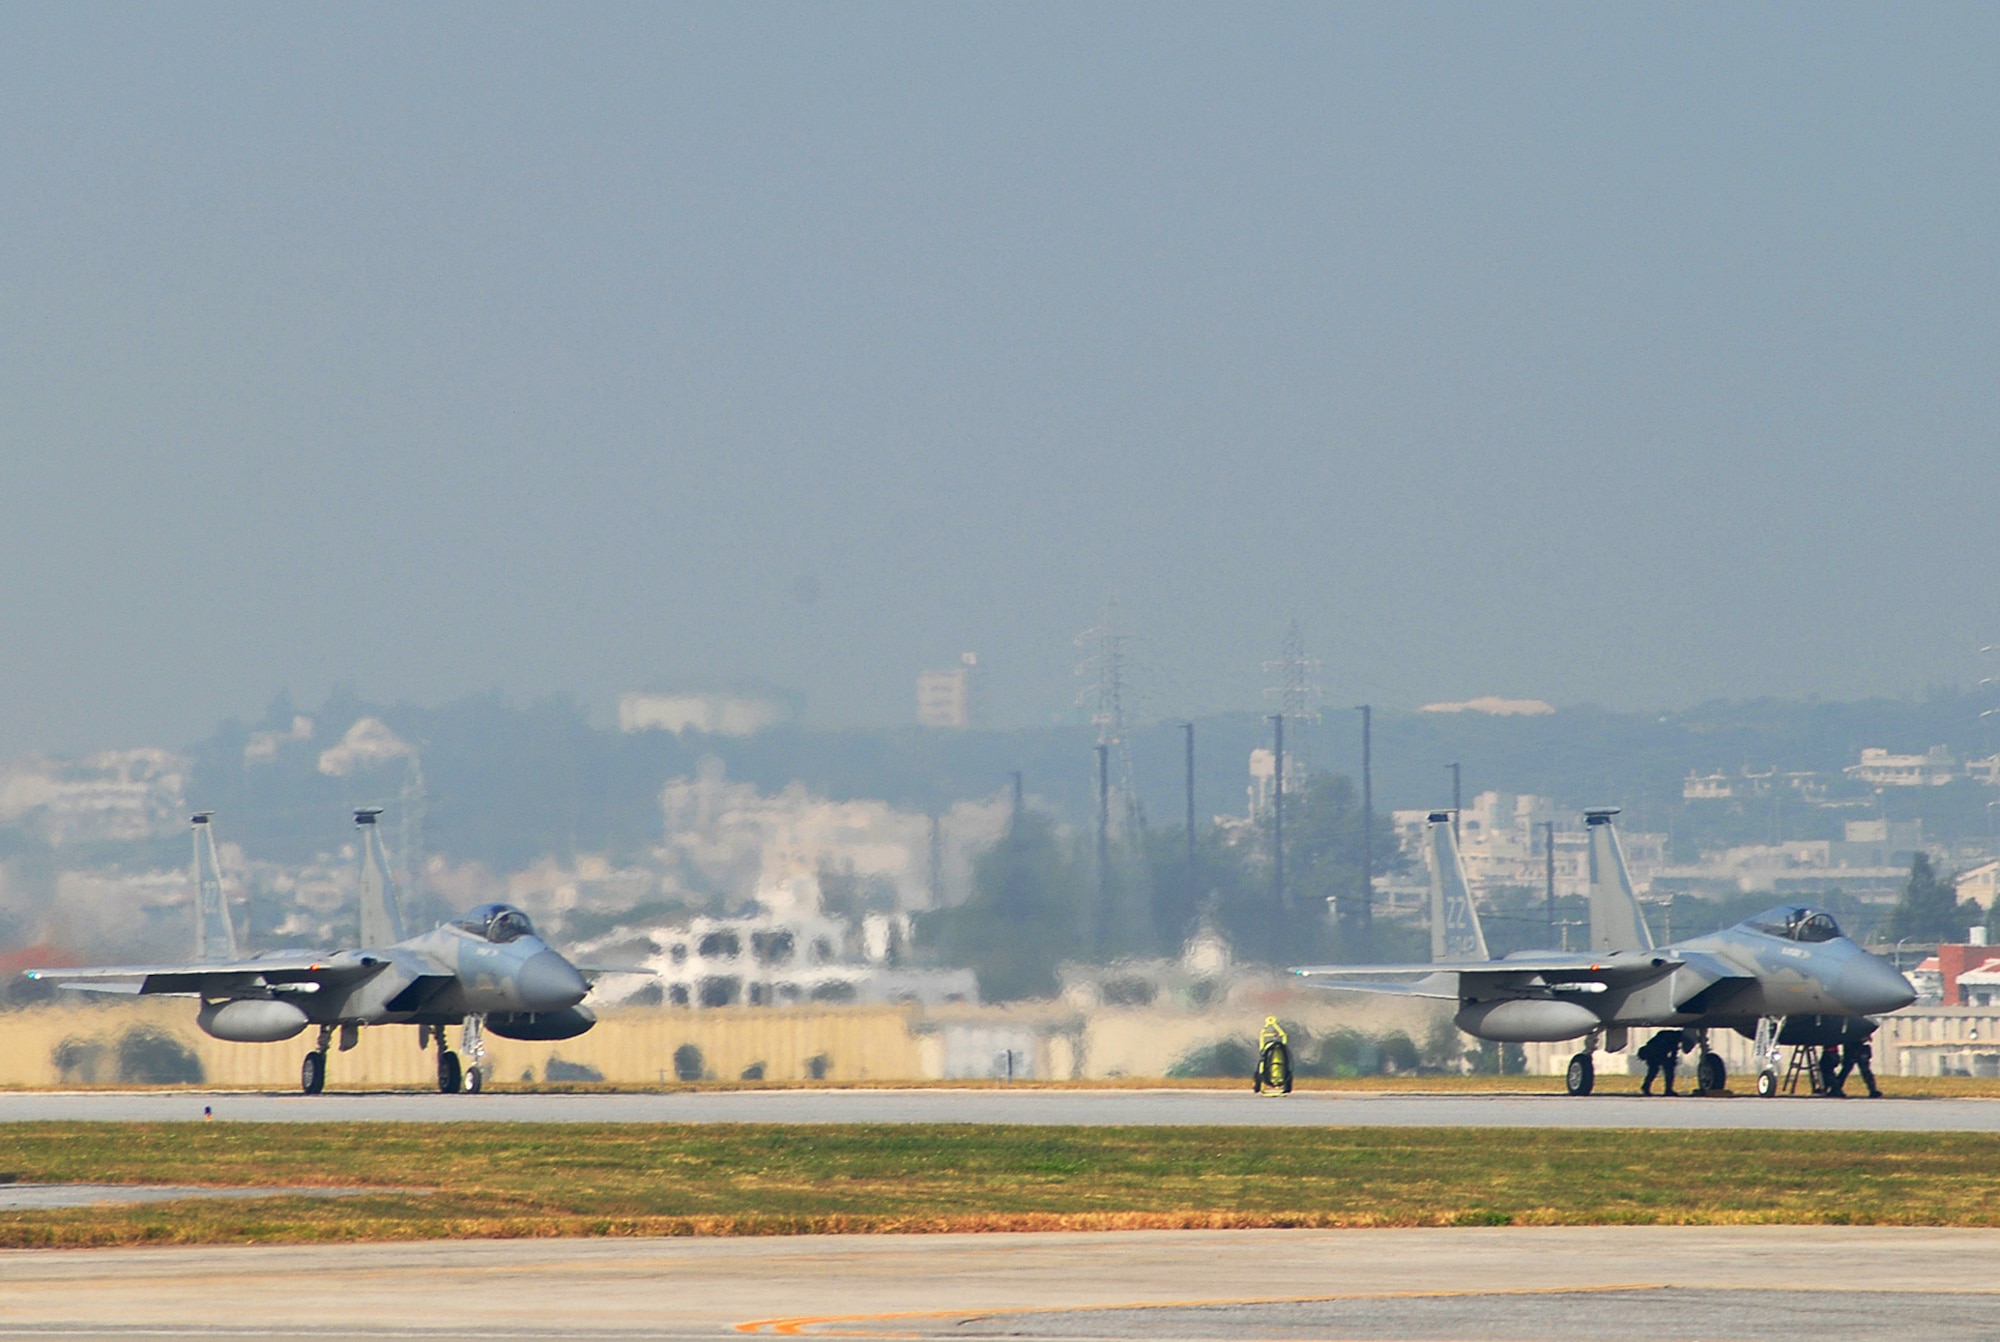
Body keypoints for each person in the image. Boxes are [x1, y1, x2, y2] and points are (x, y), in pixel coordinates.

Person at [1638, 1031, 1683, 1095]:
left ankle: (1646, 1086)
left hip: (1654, 1050)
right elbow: (1673, 1051)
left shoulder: (1668, 1035)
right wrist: (1672, 1059)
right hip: (1657, 1051)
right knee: (1668, 1070)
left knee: (1653, 1070)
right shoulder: (1674, 1037)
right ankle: (1668, 1090)